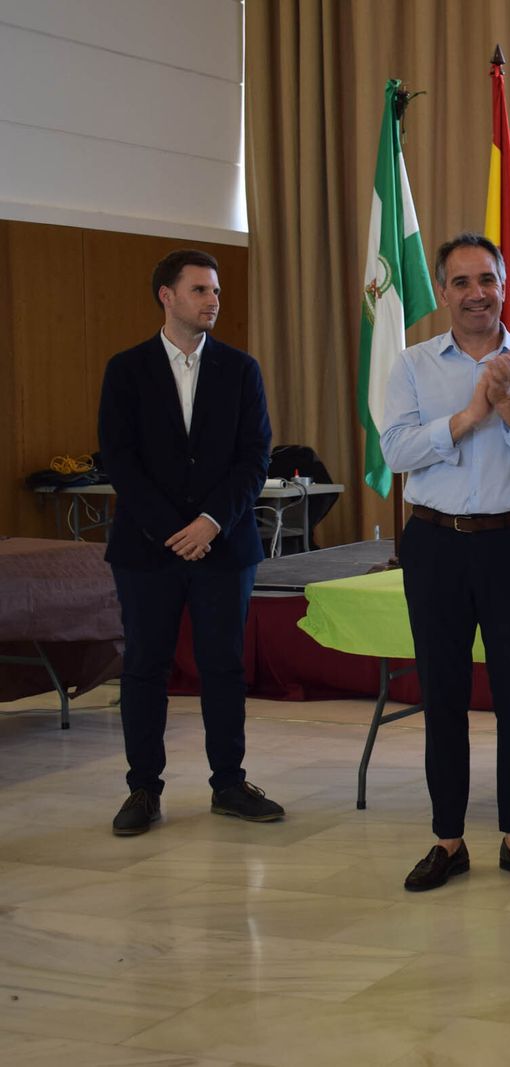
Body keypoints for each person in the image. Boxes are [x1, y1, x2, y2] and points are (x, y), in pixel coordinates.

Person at [381, 233, 510, 892]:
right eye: (461, 281)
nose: (476, 293)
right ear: (442, 292)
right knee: (443, 694)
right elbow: (398, 452)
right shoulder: (411, 365)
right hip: (435, 544)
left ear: (503, 285)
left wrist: (509, 403)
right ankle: (448, 838)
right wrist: (468, 415)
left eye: (487, 279)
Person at [99, 249, 281, 835]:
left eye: (216, 292)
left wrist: (210, 523)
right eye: (200, 290)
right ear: (167, 296)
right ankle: (142, 790)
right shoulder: (125, 369)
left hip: (223, 545)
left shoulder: (240, 369)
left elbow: (255, 458)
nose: (213, 301)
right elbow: (119, 461)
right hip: (146, 549)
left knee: (223, 665)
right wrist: (169, 530)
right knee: (146, 667)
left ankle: (228, 782)